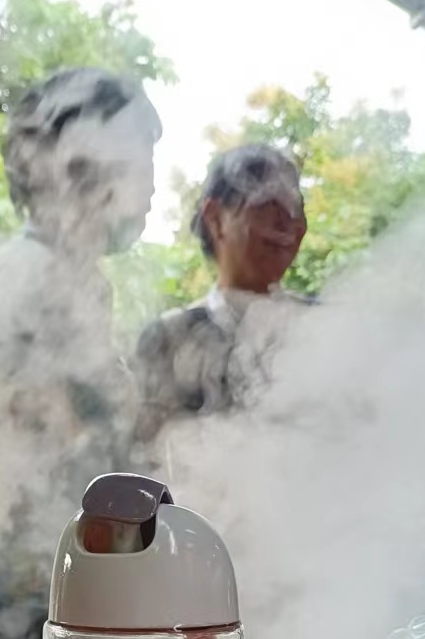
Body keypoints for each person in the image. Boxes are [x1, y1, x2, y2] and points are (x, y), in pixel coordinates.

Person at [0, 67, 161, 639]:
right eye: (141, 160)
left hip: (63, 593)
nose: (153, 186)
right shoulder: (37, 277)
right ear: (79, 168)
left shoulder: (71, 275)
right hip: (35, 609)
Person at [133, 144, 313, 463]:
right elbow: (149, 462)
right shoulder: (168, 338)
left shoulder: (326, 328)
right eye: (269, 203)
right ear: (215, 219)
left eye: (297, 206)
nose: (289, 221)